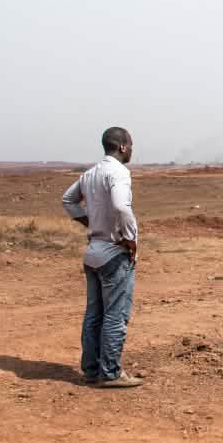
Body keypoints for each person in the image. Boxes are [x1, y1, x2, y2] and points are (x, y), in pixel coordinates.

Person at [61, 127, 142, 388]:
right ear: (122, 147)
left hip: (93, 252)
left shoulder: (91, 173)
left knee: (94, 314)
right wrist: (130, 238)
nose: (131, 149)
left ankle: (92, 369)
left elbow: (68, 200)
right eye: (130, 145)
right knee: (115, 316)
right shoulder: (119, 172)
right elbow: (120, 206)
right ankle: (110, 373)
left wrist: (91, 221)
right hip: (113, 254)